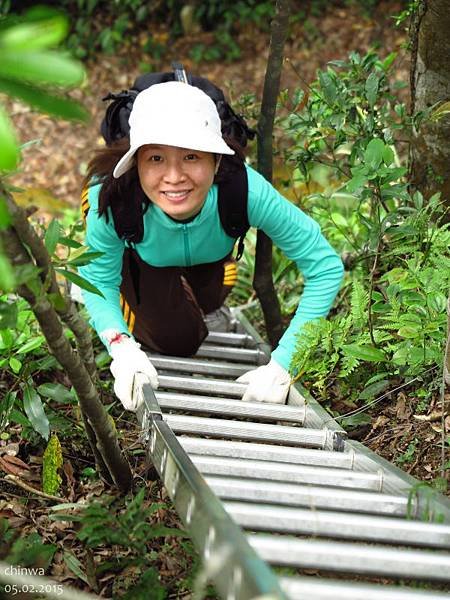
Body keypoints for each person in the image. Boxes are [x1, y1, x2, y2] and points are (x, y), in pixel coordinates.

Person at [78, 78, 344, 411]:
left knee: (209, 298)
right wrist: (122, 348)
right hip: (143, 259)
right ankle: (151, 298)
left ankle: (196, 287)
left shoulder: (243, 190)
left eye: (191, 156)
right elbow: (97, 280)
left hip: (210, 256)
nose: (174, 177)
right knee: (178, 338)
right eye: (156, 159)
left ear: (216, 161)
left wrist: (283, 366)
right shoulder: (113, 200)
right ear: (137, 163)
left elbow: (325, 266)